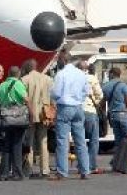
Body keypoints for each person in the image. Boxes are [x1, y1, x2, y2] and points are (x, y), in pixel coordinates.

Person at [48, 52, 90, 181]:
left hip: (65, 106)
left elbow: (56, 92)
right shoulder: (81, 74)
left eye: (58, 59)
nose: (57, 62)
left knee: (62, 140)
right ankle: (85, 170)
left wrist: (54, 97)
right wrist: (79, 99)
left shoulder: (61, 74)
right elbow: (86, 91)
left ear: (62, 60)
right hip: (78, 107)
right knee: (80, 140)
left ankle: (62, 172)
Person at [21, 58, 53, 178]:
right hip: (44, 114)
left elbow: (23, 98)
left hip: (30, 115)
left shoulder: (24, 79)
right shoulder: (48, 79)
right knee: (43, 142)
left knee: (29, 143)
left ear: (28, 67)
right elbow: (53, 96)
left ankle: (28, 170)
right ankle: (44, 169)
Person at [0, 66, 29, 181]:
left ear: (9, 73)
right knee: (17, 144)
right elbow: (26, 99)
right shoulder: (19, 84)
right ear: (18, 74)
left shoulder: (2, 86)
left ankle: (3, 173)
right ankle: (18, 172)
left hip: (6, 118)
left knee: (6, 145)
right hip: (18, 117)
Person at [101, 67, 127, 168]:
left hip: (113, 116)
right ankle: (125, 164)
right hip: (123, 114)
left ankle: (116, 163)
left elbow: (103, 102)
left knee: (118, 141)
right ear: (119, 74)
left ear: (111, 74)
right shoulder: (123, 86)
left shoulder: (106, 86)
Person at [79, 61, 103, 174]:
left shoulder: (76, 78)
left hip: (78, 110)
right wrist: (96, 103)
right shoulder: (92, 78)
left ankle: (81, 166)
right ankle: (91, 166)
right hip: (90, 110)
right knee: (93, 140)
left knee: (80, 140)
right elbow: (100, 95)